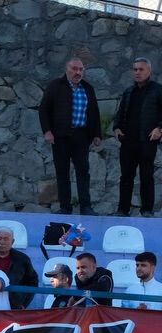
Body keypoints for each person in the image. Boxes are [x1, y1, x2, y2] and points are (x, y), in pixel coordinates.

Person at [39, 58, 102, 215]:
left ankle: (85, 207)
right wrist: (47, 131)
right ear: (67, 69)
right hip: (60, 136)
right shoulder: (55, 86)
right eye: (74, 69)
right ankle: (65, 207)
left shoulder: (87, 88)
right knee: (62, 172)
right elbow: (44, 109)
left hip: (81, 136)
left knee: (83, 171)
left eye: (80, 69)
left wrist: (97, 134)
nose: (77, 72)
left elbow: (94, 112)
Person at [111, 58, 162, 216]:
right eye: (135, 69)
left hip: (147, 141)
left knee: (146, 176)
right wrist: (116, 128)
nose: (137, 72)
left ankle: (146, 210)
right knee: (126, 177)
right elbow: (120, 113)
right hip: (128, 142)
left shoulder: (158, 90)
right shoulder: (128, 92)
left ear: (149, 71)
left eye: (141, 69)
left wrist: (159, 128)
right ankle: (122, 210)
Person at [0, 227, 40, 309]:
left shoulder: (22, 259)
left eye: (6, 239)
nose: (2, 242)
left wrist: (24, 304)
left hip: (13, 306)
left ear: (12, 242)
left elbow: (33, 282)